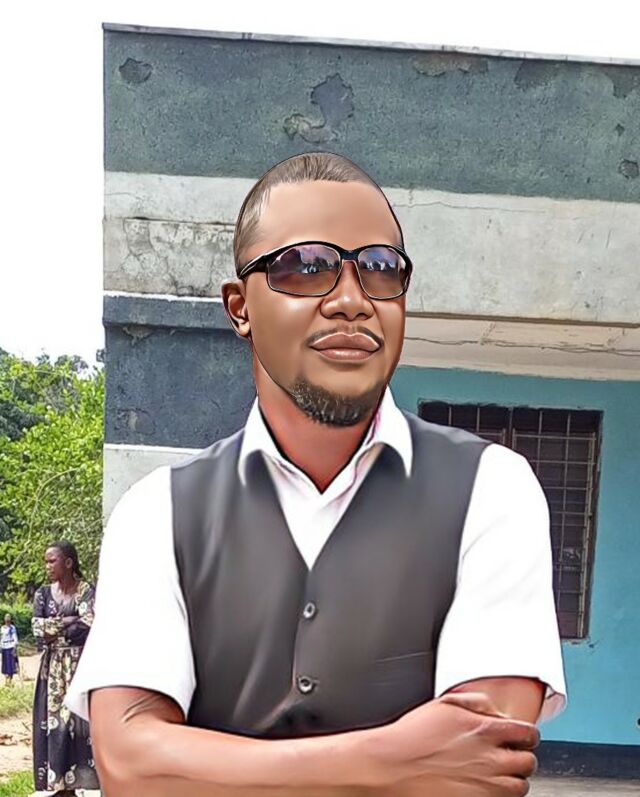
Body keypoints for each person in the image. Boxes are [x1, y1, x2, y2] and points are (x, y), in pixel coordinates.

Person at [66, 152, 566, 797]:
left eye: (381, 268)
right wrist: (393, 761)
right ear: (240, 307)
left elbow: (480, 769)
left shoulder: (492, 488)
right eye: (305, 267)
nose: (353, 301)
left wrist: (203, 767)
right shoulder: (157, 510)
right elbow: (131, 767)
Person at [32, 540, 100, 795]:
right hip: (52, 671)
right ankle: (58, 785)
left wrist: (56, 627)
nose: (47, 566)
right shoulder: (43, 594)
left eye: (52, 561)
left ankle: (84, 784)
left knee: (82, 723)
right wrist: (70, 621)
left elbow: (88, 625)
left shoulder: (86, 590)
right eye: (46, 561)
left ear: (68, 563)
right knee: (55, 724)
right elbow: (38, 629)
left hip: (81, 667)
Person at [1, 612, 19, 686]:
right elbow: (2, 638)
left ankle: (10, 680)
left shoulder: (12, 628)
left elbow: (15, 637)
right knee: (5, 664)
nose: (7, 619)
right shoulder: (2, 628)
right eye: (6, 617)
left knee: (11, 664)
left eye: (8, 618)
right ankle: (6, 680)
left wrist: (15, 646)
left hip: (10, 647)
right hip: (4, 647)